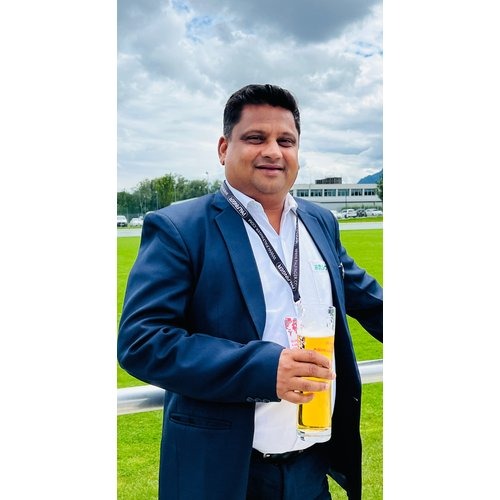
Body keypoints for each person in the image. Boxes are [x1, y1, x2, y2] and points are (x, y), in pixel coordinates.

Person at [117, 83, 383, 500]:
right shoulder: (180, 228)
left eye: (286, 141)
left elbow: (369, 299)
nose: (273, 151)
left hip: (311, 470)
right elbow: (142, 341)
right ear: (224, 148)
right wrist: (263, 368)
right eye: (256, 138)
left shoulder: (319, 222)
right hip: (223, 474)